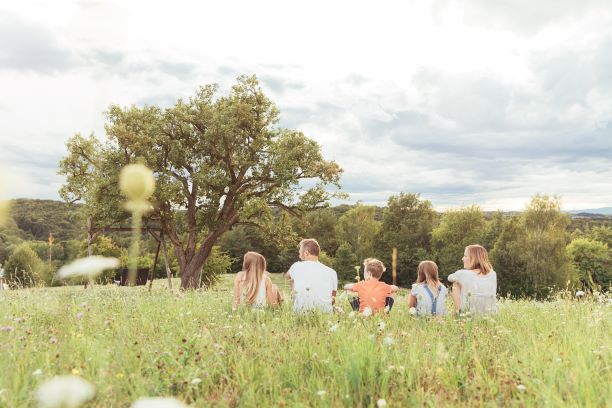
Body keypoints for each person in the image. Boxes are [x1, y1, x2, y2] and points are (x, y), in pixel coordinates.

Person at [286, 239, 338, 313]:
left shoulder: (297, 266)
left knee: (292, 280)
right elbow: (333, 300)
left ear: (306, 253)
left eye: (300, 251)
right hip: (325, 314)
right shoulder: (332, 272)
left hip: (301, 312)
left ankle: (296, 304)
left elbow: (287, 276)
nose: (299, 254)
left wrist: (293, 285)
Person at [447, 245, 497, 314]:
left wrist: (458, 278)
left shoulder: (462, 273)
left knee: (455, 284)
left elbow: (449, 278)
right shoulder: (493, 274)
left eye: (465, 256)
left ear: (473, 258)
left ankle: (457, 312)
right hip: (490, 313)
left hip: (469, 313)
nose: (462, 259)